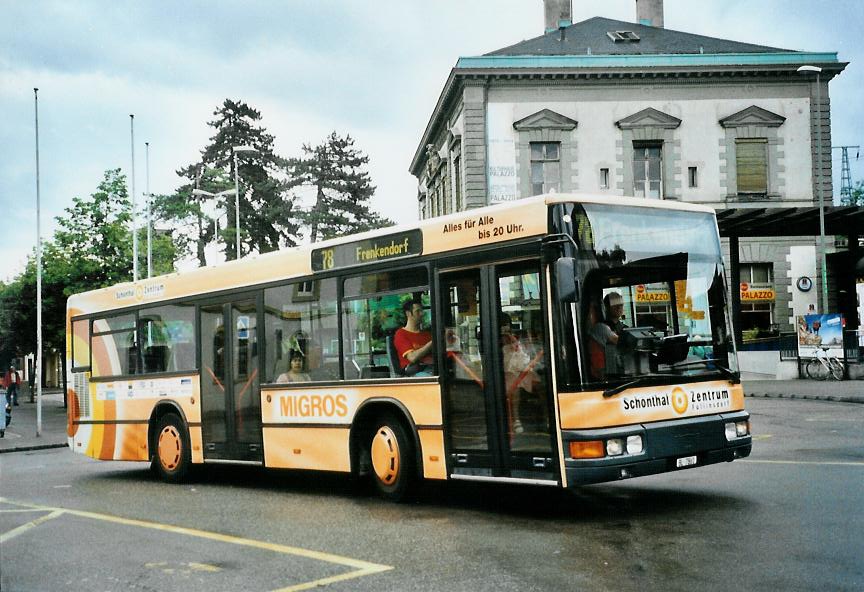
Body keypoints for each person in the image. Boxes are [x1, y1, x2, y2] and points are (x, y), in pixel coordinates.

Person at [500, 314, 537, 434]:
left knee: (541, 385)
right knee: (514, 388)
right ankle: (516, 419)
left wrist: (512, 339)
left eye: (507, 326)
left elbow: (524, 356)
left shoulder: (516, 339)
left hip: (521, 370)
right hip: (506, 372)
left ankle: (547, 417)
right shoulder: (495, 339)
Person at [393, 299, 434, 376]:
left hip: (433, 368)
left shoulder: (427, 335)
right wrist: (432, 342)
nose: (421, 314)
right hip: (414, 373)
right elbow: (412, 357)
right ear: (408, 314)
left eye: (422, 311)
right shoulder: (401, 334)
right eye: (417, 311)